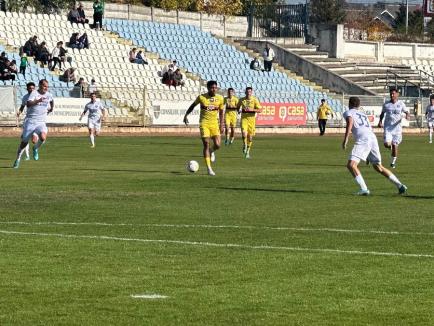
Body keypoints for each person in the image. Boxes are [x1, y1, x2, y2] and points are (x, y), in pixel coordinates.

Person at [342, 96, 407, 195]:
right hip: (372, 137)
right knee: (378, 167)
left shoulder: (348, 112)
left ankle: (364, 189)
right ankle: (400, 185)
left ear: (349, 104)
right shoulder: (362, 114)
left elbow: (350, 122)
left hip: (363, 138)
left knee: (351, 165)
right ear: (359, 105)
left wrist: (346, 139)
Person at [183, 80, 224, 176]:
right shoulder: (201, 97)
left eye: (215, 87)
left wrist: (222, 124)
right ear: (208, 88)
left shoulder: (220, 98)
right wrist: (186, 115)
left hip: (215, 124)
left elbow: (221, 112)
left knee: (218, 145)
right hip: (204, 123)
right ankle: (209, 169)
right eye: (212, 88)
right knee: (206, 143)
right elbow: (192, 106)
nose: (214, 89)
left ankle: (211, 151)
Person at [13, 79, 54, 168]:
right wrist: (37, 101)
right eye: (44, 86)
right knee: (24, 143)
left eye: (47, 86)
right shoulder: (34, 93)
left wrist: (51, 108)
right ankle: (18, 159)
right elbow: (28, 104)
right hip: (30, 121)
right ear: (39, 85)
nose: (46, 88)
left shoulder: (48, 94)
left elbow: (51, 100)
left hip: (41, 122)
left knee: (43, 137)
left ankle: (35, 148)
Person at [378, 88, 410, 169]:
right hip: (388, 128)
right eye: (391, 94)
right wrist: (380, 121)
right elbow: (382, 113)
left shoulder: (401, 104)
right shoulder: (386, 104)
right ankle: (390, 147)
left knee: (395, 145)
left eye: (393, 94)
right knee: (386, 144)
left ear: (397, 94)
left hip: (397, 129)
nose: (392, 95)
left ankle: (393, 162)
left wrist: (407, 116)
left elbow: (407, 112)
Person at [237, 87, 262, 159]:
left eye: (250, 92)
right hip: (244, 120)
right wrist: (239, 110)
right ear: (245, 92)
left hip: (252, 121)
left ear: (251, 92)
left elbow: (260, 110)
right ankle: (244, 144)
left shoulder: (255, 100)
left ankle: (247, 152)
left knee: (250, 138)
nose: (248, 93)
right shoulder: (241, 100)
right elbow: (238, 106)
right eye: (247, 92)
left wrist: (252, 109)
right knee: (244, 134)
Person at [16, 82, 36, 161]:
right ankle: (27, 156)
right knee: (24, 138)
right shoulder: (25, 97)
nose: (31, 89)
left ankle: (35, 148)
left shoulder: (37, 95)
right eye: (30, 88)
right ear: (27, 89)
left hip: (37, 120)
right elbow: (22, 106)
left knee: (34, 140)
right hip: (28, 119)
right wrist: (19, 112)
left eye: (33, 88)